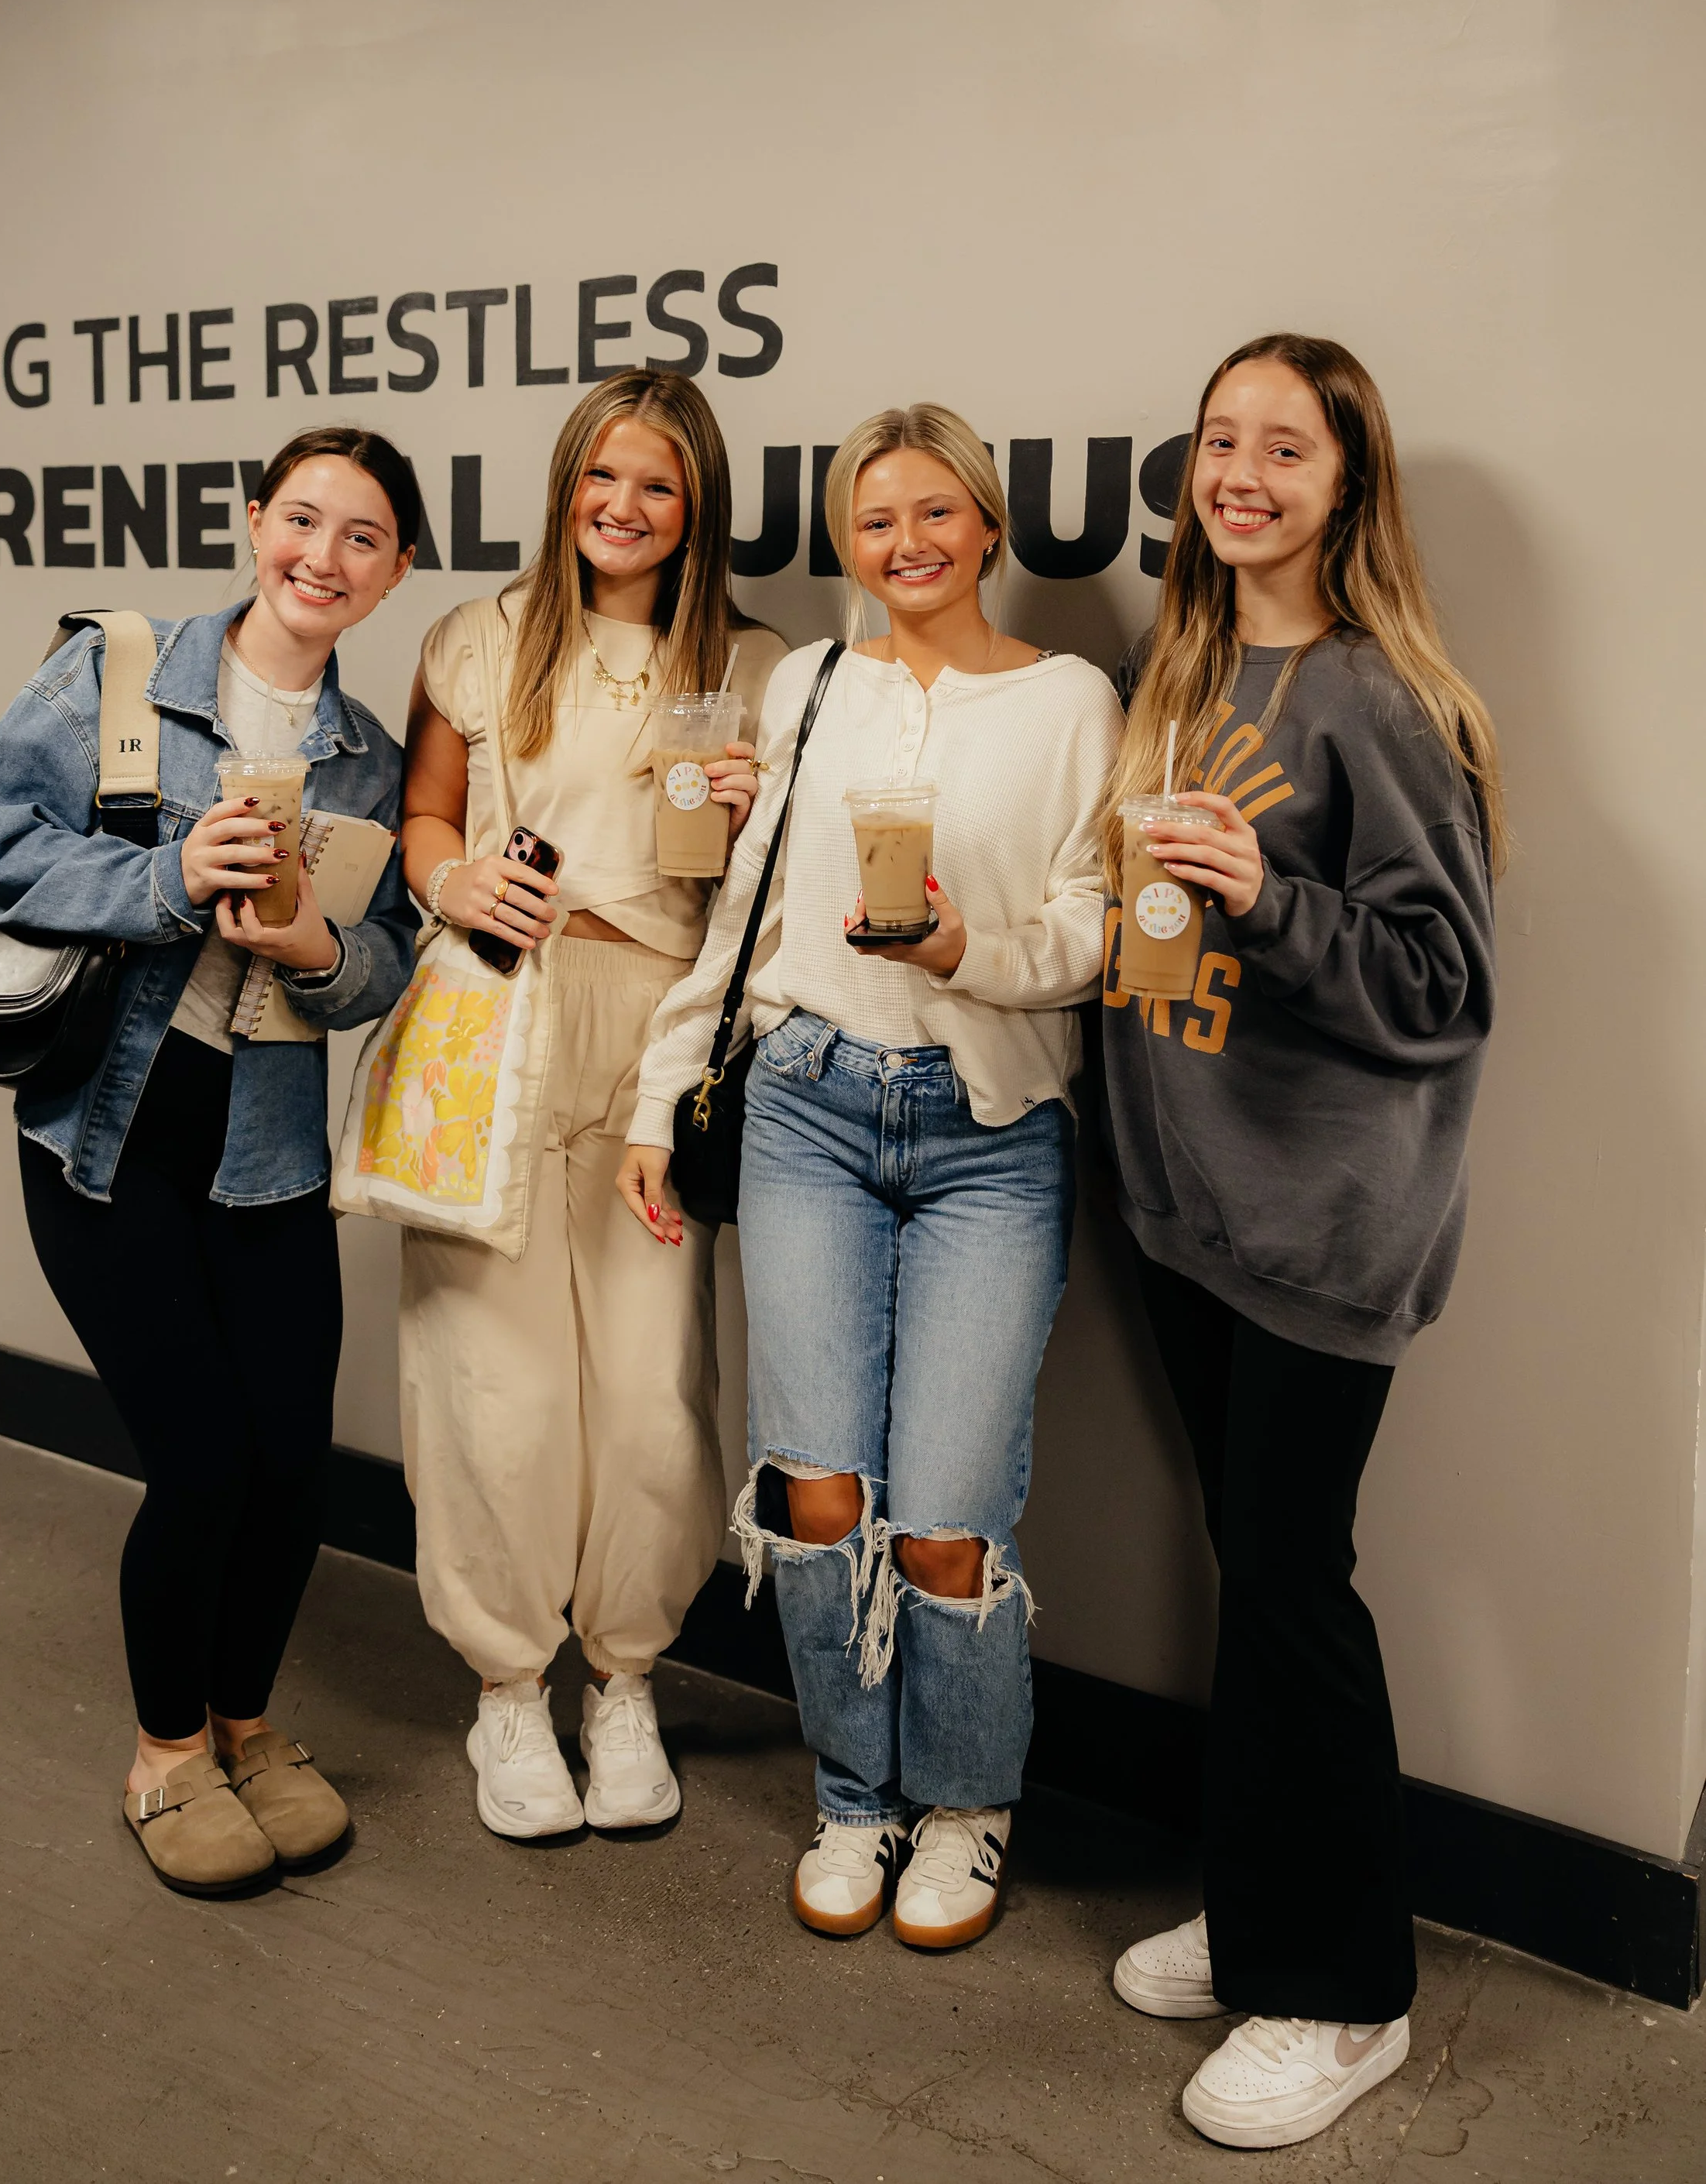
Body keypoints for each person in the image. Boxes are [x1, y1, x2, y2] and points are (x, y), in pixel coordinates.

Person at [620, 403, 1122, 1948]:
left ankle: (964, 1809)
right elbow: (739, 918)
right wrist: (659, 1097)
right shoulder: (804, 689)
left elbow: (1099, 923)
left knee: (951, 1518)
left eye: (932, 514)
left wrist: (972, 950)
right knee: (820, 1492)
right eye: (871, 520)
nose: (903, 544)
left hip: (989, 1131)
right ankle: (855, 1796)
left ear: (985, 525)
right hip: (804, 1108)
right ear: (847, 542)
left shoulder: (1068, 700)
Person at [1099, 335, 1501, 2151]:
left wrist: (1271, 902)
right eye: (1220, 439)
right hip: (1191, 1216)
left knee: (1289, 1592)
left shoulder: (1373, 694)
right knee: (1250, 1586)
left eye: (1287, 446)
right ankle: (1265, 1906)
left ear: (1346, 486)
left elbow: (1442, 983)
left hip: (1322, 1233)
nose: (1242, 470)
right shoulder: (1184, 668)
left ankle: (1343, 1993)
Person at [0, 426, 424, 1897]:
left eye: (362, 537)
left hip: (265, 1149)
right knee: (204, 1459)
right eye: (301, 520)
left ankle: (249, 1722)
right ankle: (167, 1752)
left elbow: (386, 965)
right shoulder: (120, 670)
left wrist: (322, 948)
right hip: (108, 1135)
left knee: (291, 1467)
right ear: (252, 521)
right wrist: (166, 878)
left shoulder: (371, 760)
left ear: (397, 568)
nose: (322, 557)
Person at [399, 370, 786, 1839]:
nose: (623, 509)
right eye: (600, 479)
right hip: (491, 1014)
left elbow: (768, 893)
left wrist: (760, 818)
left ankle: (625, 1680)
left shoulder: (759, 667)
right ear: (565, 485)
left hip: (662, 1037)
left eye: (659, 487)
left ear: (700, 510)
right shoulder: (480, 638)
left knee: (647, 1393)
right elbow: (430, 811)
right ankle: (509, 1690)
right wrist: (449, 873)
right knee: (493, 1384)